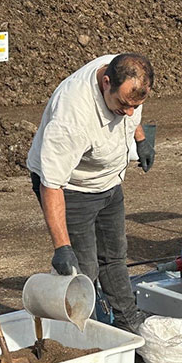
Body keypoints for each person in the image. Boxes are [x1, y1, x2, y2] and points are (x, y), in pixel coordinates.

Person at [26, 53, 156, 333]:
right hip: (72, 190)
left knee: (114, 256)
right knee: (82, 271)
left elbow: (131, 111)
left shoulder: (128, 77)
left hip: (108, 183)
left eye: (137, 105)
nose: (130, 112)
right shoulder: (72, 116)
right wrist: (62, 247)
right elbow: (51, 184)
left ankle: (127, 319)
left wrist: (141, 140)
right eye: (124, 104)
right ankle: (81, 332)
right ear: (105, 82)